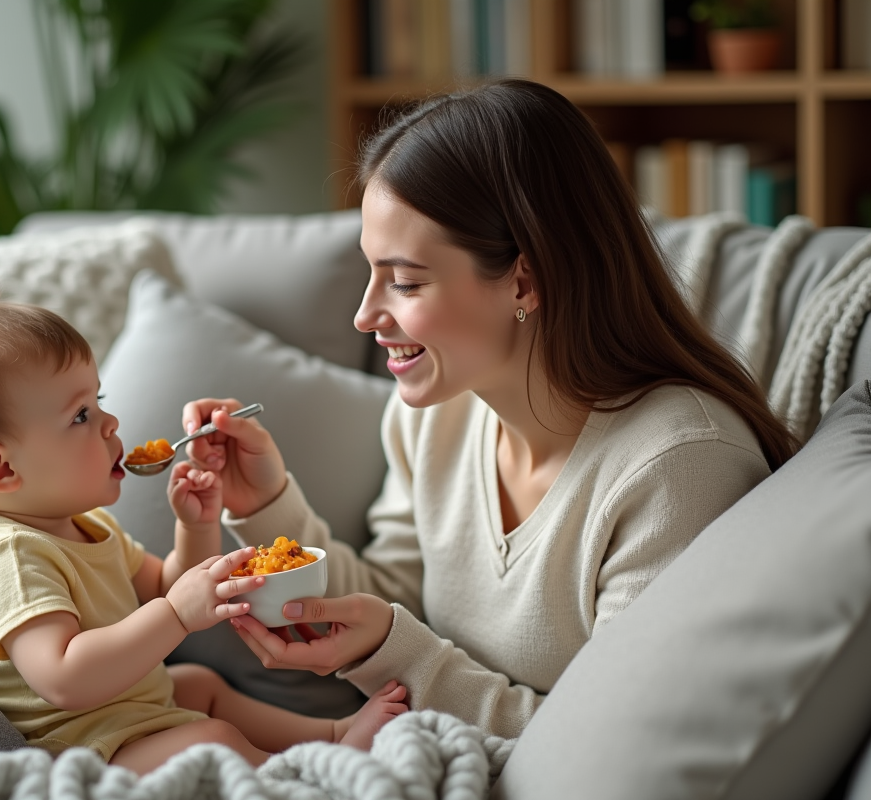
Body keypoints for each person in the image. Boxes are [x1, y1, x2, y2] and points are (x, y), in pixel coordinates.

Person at [180, 78, 799, 742]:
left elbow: (607, 746)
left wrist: (393, 652)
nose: (365, 315)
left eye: (405, 281)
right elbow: (401, 598)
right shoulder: (433, 414)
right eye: (371, 273)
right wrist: (266, 505)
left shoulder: (679, 469)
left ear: (524, 281)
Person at [0, 289, 406, 775]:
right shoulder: (7, 558)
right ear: (3, 469)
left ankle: (331, 736)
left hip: (125, 716)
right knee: (212, 738)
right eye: (80, 415)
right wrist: (176, 615)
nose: (110, 424)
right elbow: (64, 677)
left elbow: (165, 586)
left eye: (99, 401)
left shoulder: (86, 526)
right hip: (76, 748)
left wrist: (195, 525)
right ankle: (306, 774)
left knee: (200, 686)